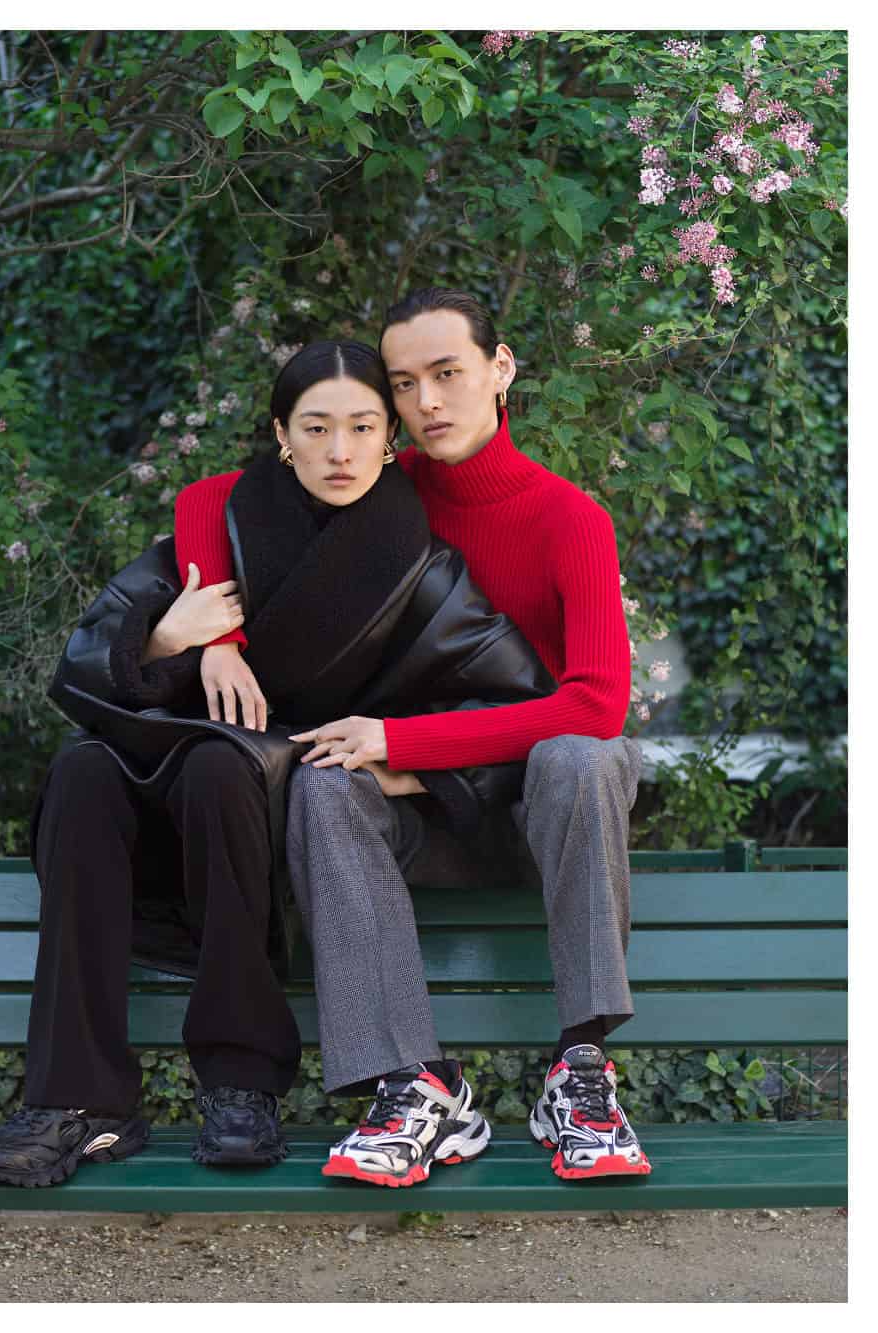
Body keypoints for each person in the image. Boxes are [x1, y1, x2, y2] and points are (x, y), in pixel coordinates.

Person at [0, 341, 554, 1188]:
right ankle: (78, 1100)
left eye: (362, 428)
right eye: (317, 428)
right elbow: (84, 665)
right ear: (283, 435)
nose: (340, 451)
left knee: (219, 767)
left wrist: (402, 755)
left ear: (392, 440)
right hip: (172, 834)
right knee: (83, 774)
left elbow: (517, 707)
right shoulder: (223, 527)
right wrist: (173, 638)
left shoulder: (424, 569)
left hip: (287, 834)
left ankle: (242, 1084)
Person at [183, 288, 647, 1186]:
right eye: (406, 383)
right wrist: (218, 636)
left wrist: (406, 747)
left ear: (500, 370)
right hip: (427, 816)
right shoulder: (385, 501)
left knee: (581, 755)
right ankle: (416, 1084)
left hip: (546, 810)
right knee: (322, 776)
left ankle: (582, 1073)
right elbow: (216, 496)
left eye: (448, 374)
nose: (428, 401)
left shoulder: (570, 519)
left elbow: (594, 705)